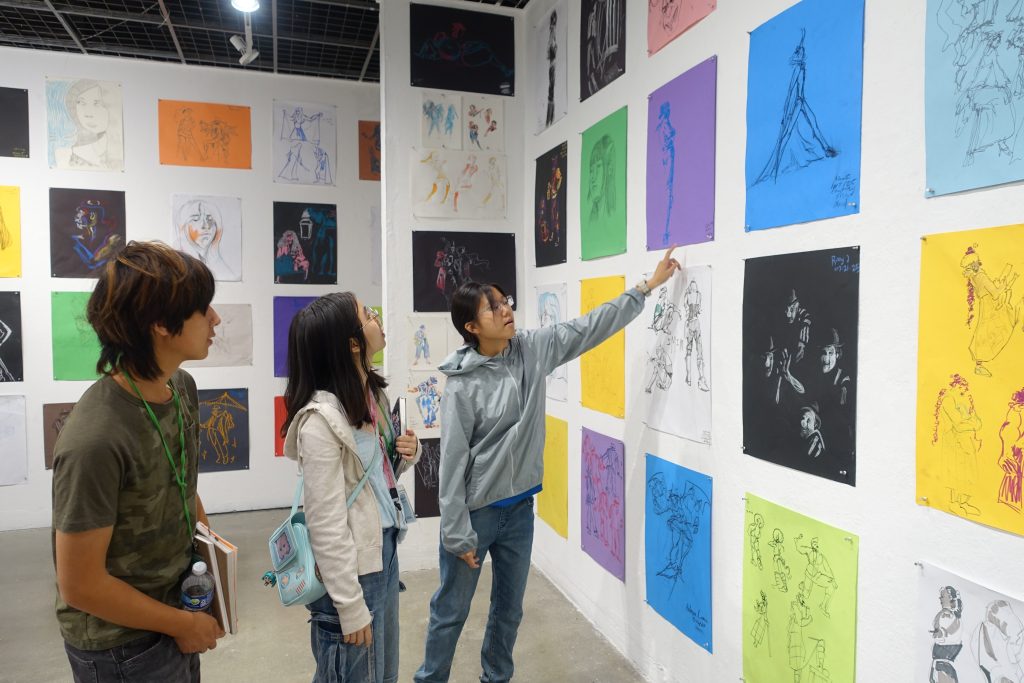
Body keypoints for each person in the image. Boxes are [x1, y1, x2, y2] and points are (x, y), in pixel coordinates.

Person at [413, 248, 681, 683]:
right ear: (471, 326)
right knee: (450, 612)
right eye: (492, 307)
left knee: (509, 611)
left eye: (505, 302)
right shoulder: (461, 387)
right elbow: (453, 464)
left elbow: (589, 327)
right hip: (477, 516)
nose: (505, 311)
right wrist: (456, 529)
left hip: (519, 512)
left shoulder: (532, 350)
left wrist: (646, 288)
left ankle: (495, 677)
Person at [51, 241, 224, 683]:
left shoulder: (180, 387)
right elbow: (81, 584)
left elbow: (182, 484)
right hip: (120, 646)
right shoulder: (95, 439)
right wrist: (183, 625)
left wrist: (214, 565)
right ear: (161, 324)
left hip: (175, 610)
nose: (216, 319)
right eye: (204, 309)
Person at [281, 293, 421, 683]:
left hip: (384, 551)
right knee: (353, 672)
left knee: (382, 672)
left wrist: (407, 452)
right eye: (367, 314)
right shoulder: (320, 423)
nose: (377, 317)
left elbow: (377, 476)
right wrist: (349, 604)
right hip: (353, 570)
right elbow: (325, 523)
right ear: (353, 343)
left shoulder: (371, 396)